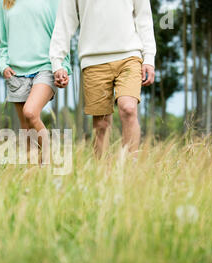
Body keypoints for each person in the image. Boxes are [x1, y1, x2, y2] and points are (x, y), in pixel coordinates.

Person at [50, 0, 156, 157]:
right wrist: (57, 61)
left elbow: (144, 17)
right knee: (101, 124)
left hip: (129, 55)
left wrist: (149, 58)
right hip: (93, 60)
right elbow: (65, 21)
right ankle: (102, 175)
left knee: (128, 108)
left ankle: (131, 172)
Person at [0, 0, 71, 159]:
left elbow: (60, 35)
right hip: (16, 72)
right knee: (26, 129)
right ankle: (33, 175)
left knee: (30, 113)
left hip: (45, 67)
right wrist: (3, 65)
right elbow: (4, 42)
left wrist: (63, 65)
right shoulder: (4, 2)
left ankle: (47, 162)